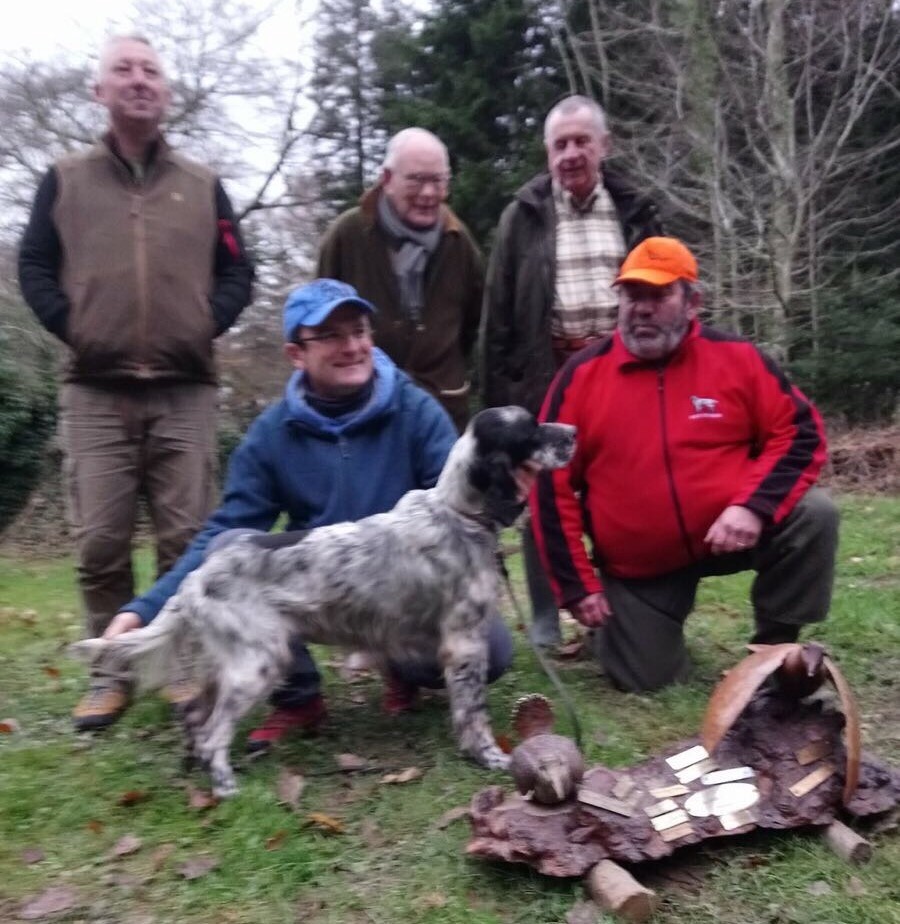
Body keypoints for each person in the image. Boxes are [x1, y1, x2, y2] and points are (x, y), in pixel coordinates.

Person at [99, 279, 514, 753]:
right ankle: (297, 697)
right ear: (296, 354)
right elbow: (224, 529)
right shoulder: (272, 434)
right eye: (333, 336)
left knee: (493, 650)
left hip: (407, 594)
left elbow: (460, 505)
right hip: (323, 593)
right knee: (225, 549)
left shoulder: (415, 410)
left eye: (360, 330)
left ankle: (403, 670)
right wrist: (145, 608)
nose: (353, 346)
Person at [17, 35, 253, 731]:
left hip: (186, 388)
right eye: (123, 70)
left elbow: (241, 270)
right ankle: (110, 671)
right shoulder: (64, 179)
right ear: (100, 91)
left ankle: (180, 667)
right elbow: (33, 266)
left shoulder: (205, 185)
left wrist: (200, 326)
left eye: (151, 71)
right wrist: (76, 326)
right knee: (100, 540)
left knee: (187, 540)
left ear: (167, 92)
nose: (139, 80)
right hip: (95, 387)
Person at [529, 237, 838, 693]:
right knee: (646, 680)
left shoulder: (738, 359)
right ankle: (617, 631)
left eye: (659, 295)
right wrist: (578, 586)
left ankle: (775, 647)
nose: (643, 308)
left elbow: (800, 433)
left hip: (730, 534)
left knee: (815, 515)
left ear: (693, 302)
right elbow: (547, 485)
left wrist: (753, 506)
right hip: (641, 564)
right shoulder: (579, 377)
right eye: (633, 295)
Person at [480, 95, 662, 647]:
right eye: (560, 144)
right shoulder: (523, 215)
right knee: (543, 493)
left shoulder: (636, 210)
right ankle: (544, 617)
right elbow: (499, 310)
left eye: (582, 141)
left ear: (604, 146)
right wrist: (496, 404)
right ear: (547, 153)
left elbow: (665, 288)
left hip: (620, 371)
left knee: (619, 491)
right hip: (548, 369)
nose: (571, 153)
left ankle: (611, 611)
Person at [317, 128, 483, 433]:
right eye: (417, 179)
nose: (429, 193)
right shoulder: (348, 235)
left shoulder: (459, 242)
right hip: (363, 413)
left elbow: (470, 325)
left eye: (438, 180)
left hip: (442, 412)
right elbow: (320, 320)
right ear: (387, 179)